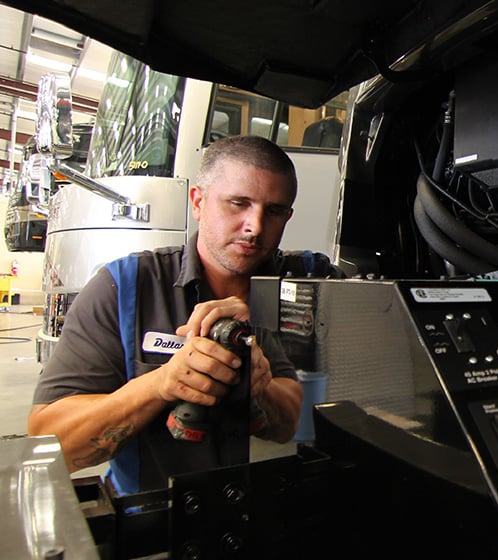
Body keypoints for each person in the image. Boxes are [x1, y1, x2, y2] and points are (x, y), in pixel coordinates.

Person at [28, 135, 335, 494]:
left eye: (274, 211)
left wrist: (262, 387)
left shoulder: (303, 291)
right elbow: (51, 443)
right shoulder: (126, 286)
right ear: (199, 202)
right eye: (238, 204)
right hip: (154, 525)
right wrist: (161, 384)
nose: (254, 226)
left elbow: (287, 426)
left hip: (268, 518)